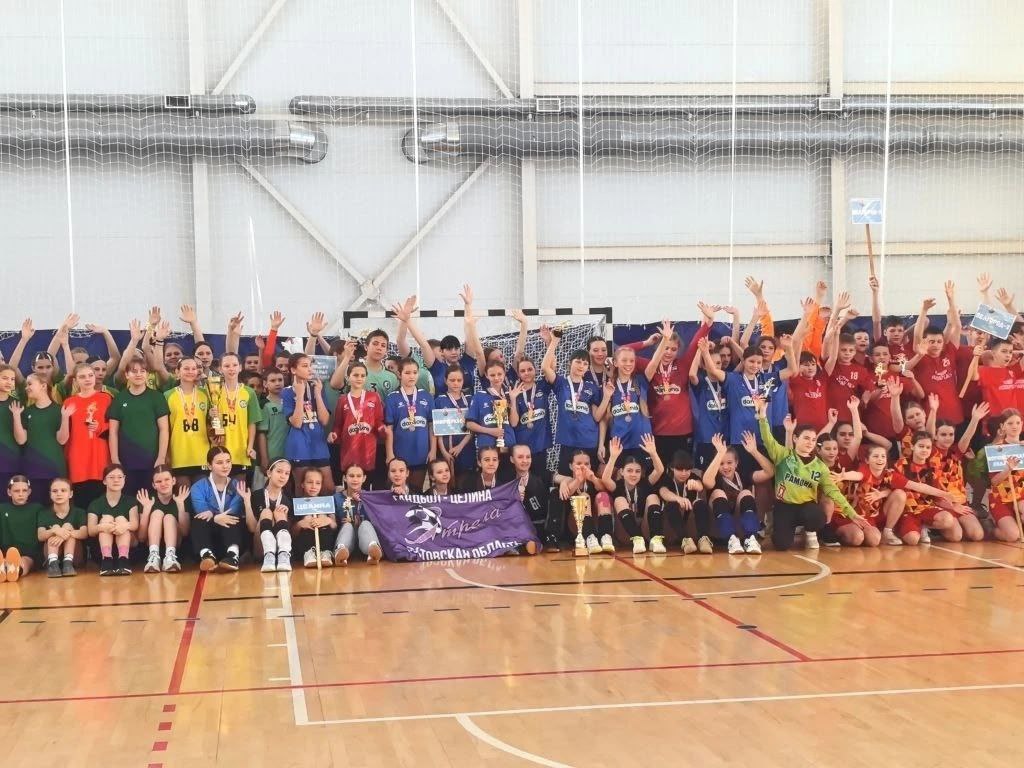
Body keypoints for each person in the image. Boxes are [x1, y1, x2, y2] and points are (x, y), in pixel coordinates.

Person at [754, 396, 869, 551]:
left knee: (817, 516)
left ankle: (811, 532)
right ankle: (778, 526)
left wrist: (852, 514)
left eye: (813, 440)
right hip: (784, 506)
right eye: (806, 438)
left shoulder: (820, 466)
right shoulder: (782, 455)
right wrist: (762, 416)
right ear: (795, 438)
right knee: (781, 544)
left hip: (806, 507)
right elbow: (768, 439)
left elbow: (833, 491)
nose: (810, 442)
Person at [540, 327, 606, 475]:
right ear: (570, 363)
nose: (581, 366)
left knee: (588, 481)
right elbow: (545, 366)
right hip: (568, 442)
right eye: (578, 362)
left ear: (588, 367)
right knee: (567, 480)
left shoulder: (592, 387)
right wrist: (554, 341)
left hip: (589, 441)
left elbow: (598, 417)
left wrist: (607, 396)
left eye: (585, 363)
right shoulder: (561, 383)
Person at [702, 432, 773, 554]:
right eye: (721, 463)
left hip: (740, 521)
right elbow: (707, 483)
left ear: (736, 463)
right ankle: (731, 539)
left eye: (729, 463)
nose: (725, 467)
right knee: (718, 492)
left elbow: (769, 472)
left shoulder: (742, 474)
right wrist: (720, 453)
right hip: (718, 525)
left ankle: (750, 538)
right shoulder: (714, 475)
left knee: (746, 492)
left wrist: (754, 451)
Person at [108, 359, 170, 495]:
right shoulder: (119, 398)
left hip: (152, 460)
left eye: (143, 371)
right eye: (134, 371)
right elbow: (113, 432)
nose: (138, 374)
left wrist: (161, 457)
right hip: (126, 460)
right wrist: (115, 459)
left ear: (147, 374)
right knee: (129, 498)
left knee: (150, 498)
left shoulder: (157, 397)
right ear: (126, 375)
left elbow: (164, 429)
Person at [59, 363, 114, 510]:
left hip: (100, 455)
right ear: (75, 380)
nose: (87, 379)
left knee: (101, 500)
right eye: (82, 377)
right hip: (78, 458)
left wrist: (100, 427)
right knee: (81, 501)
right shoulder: (69, 402)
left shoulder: (106, 398)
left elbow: (116, 427)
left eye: (90, 375)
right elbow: (64, 434)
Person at [602, 434, 665, 554]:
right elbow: (605, 479)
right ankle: (637, 539)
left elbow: (659, 470)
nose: (633, 474)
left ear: (641, 473)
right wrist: (613, 457)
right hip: (625, 533)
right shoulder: (618, 486)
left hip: (646, 528)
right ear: (622, 472)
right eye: (629, 470)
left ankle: (656, 539)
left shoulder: (645, 483)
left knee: (653, 497)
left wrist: (653, 453)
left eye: (637, 471)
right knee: (619, 500)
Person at [282, 353, 335, 495]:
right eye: (305, 366)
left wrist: (317, 394)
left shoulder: (317, 388)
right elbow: (297, 423)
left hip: (318, 443)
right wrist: (299, 395)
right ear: (293, 370)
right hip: (299, 445)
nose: (310, 369)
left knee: (328, 487)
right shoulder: (287, 392)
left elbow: (324, 420)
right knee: (302, 488)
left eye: (310, 366)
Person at [11, 374, 67, 504]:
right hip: (32, 468)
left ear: (43, 386)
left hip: (54, 468)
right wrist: (16, 416)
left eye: (30, 384)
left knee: (55, 507)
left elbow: (62, 440)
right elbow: (21, 440)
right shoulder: (26, 412)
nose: (27, 388)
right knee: (35, 506)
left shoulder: (59, 411)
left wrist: (65, 418)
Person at [190, 446, 246, 572]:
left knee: (234, 518)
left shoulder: (238, 485)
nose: (225, 466)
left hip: (230, 536)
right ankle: (207, 555)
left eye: (228, 461)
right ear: (209, 466)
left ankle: (233, 556)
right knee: (199, 520)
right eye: (219, 463)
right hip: (209, 537)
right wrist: (216, 518)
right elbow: (202, 512)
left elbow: (234, 510)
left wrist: (214, 516)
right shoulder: (198, 487)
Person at [209, 353, 262, 480]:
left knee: (239, 487)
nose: (231, 369)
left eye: (234, 365)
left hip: (240, 450)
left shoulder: (249, 392)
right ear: (220, 369)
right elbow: (208, 420)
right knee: (219, 487)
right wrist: (211, 415)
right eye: (227, 366)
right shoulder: (213, 390)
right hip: (219, 449)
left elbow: (252, 422)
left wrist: (250, 446)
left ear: (240, 367)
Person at [384, 358, 435, 490]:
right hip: (400, 453)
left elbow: (432, 426)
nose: (412, 376)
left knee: (416, 491)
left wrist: (433, 450)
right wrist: (389, 453)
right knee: (398, 491)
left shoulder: (426, 397)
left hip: (421, 453)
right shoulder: (392, 398)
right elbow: (389, 428)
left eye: (415, 372)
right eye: (407, 373)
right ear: (399, 374)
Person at [552, 449, 614, 556]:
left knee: (603, 496)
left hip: (595, 522)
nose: (583, 466)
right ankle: (589, 537)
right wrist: (578, 480)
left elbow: (604, 489)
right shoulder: (567, 481)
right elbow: (566, 495)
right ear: (571, 466)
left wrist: (593, 478)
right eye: (579, 463)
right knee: (584, 496)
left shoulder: (593, 481)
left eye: (586, 464)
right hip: (574, 525)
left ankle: (606, 536)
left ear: (590, 466)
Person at [164, 358, 211, 485]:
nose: (190, 371)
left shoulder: (206, 394)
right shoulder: (168, 395)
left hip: (202, 455)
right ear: (177, 372)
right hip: (179, 455)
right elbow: (164, 428)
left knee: (200, 495)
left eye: (193, 368)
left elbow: (209, 424)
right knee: (183, 494)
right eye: (186, 368)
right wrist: (166, 454)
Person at [87, 463, 140, 576]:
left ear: (124, 479)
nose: (116, 480)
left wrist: (123, 526)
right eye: (111, 477)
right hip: (101, 550)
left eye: (120, 477)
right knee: (106, 519)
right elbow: (91, 530)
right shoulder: (96, 503)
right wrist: (103, 526)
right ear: (104, 481)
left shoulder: (131, 501)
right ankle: (107, 560)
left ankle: (123, 560)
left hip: (129, 548)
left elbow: (135, 524)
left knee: (121, 519)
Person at [136, 466, 190, 573]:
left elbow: (184, 532)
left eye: (167, 480)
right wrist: (146, 510)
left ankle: (170, 558)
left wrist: (180, 505)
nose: (163, 484)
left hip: (175, 548)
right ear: (153, 485)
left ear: (173, 481)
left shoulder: (181, 498)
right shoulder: (147, 499)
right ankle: (154, 557)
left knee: (169, 517)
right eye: (158, 481)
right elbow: (141, 537)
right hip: (151, 546)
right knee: (157, 513)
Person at [658, 450, 713, 554]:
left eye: (687, 469)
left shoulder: (692, 477)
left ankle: (704, 539)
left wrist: (697, 485)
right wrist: (678, 498)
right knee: (671, 505)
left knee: (700, 503)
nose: (684, 473)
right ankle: (686, 540)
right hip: (672, 517)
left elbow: (700, 486)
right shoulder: (667, 478)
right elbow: (663, 492)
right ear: (672, 468)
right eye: (679, 469)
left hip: (690, 512)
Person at [244, 458, 293, 573]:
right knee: (266, 512)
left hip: (281, 547)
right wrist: (247, 503)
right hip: (260, 549)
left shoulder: (288, 500)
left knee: (280, 512)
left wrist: (285, 516)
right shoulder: (256, 496)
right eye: (279, 471)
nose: (283, 476)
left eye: (287, 473)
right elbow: (252, 528)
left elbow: (292, 532)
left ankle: (283, 555)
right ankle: (269, 555)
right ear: (269, 473)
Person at [509, 357, 552, 477]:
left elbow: (551, 368)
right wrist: (513, 400)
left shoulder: (542, 386)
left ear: (535, 370)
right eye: (522, 371)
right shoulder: (515, 392)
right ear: (518, 374)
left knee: (540, 479)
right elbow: (513, 423)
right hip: (522, 447)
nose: (526, 373)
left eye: (529, 369)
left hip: (540, 445)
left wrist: (551, 345)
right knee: (522, 480)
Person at [36, 478, 88, 577]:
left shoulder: (79, 512)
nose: (59, 494)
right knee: (54, 529)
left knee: (67, 526)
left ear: (70, 494)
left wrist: (65, 533)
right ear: (50, 494)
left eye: (63, 490)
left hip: (75, 556)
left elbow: (84, 533)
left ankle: (68, 563)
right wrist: (54, 530)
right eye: (55, 491)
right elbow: (40, 535)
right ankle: (53, 564)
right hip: (51, 552)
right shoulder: (44, 513)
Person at [332, 464, 383, 565]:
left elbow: (378, 520)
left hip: (364, 538)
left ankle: (373, 549)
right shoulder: (335, 498)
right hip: (346, 537)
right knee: (347, 525)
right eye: (351, 476)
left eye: (358, 476)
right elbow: (333, 524)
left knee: (366, 524)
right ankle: (341, 551)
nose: (355, 479)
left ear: (364, 478)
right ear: (345, 478)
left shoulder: (370, 497)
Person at [433, 365, 475, 486]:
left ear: (463, 381)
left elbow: (473, 427)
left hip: (466, 447)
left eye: (459, 380)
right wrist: (443, 451)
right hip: (446, 448)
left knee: (465, 483)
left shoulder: (470, 399)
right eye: (452, 380)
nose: (456, 383)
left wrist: (460, 446)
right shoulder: (440, 400)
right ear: (445, 381)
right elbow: (437, 429)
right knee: (448, 483)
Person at [466, 360, 517, 456]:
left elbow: (514, 423)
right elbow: (469, 424)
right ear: (486, 375)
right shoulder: (479, 396)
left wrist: (513, 401)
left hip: (508, 446)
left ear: (504, 373)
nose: (496, 378)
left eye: (499, 374)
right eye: (492, 375)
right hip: (487, 448)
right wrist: (490, 431)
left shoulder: (510, 395)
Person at [289, 466, 336, 569]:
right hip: (303, 545)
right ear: (302, 484)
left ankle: (326, 553)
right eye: (310, 482)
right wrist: (300, 524)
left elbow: (335, 526)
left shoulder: (327, 502)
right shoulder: (296, 503)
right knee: (307, 519)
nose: (314, 486)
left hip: (325, 541)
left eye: (318, 483)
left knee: (323, 519)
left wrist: (327, 520)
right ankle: (308, 553)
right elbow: (292, 532)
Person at [0, 475, 41, 581]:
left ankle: (16, 571)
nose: (21, 494)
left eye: (24, 490)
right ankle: (3, 568)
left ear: (29, 492)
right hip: (5, 552)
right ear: (9, 492)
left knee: (25, 561)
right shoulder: (2, 509)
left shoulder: (37, 508)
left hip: (29, 553)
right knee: (4, 559)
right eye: (16, 491)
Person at [508, 444, 548, 552]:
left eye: (528, 457)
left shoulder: (539, 480)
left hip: (535, 528)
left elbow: (541, 513)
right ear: (512, 459)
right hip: (512, 528)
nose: (525, 461)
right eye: (520, 457)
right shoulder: (506, 481)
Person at [257, 369, 288, 474]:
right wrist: (264, 458)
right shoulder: (264, 405)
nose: (277, 383)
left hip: (290, 451)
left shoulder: (290, 402)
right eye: (273, 381)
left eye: (280, 380)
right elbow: (262, 434)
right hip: (273, 453)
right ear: (265, 384)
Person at [0, 365, 21, 492]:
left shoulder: (16, 403)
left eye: (12, 379)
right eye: (5, 378)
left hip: (11, 460)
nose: (9, 382)